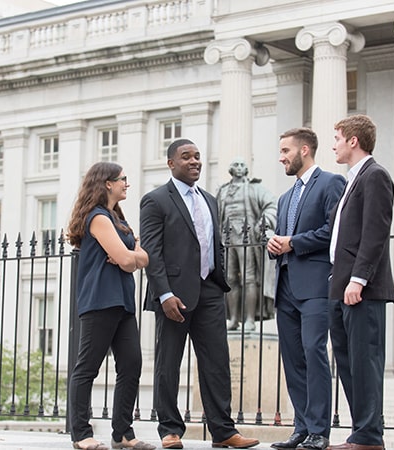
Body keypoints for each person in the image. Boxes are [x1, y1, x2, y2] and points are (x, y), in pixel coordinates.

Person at [139, 139, 260, 450]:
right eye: (186, 157)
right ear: (171, 163)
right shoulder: (155, 200)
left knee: (217, 362)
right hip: (173, 296)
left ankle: (223, 431)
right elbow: (152, 252)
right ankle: (169, 429)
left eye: (197, 157)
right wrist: (164, 294)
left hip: (209, 290)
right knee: (169, 363)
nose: (194, 162)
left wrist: (218, 279)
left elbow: (213, 243)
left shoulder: (209, 199)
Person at [267, 128, 345, 450]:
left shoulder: (330, 183)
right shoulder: (285, 197)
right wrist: (275, 245)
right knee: (293, 358)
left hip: (315, 285)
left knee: (314, 353)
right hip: (285, 287)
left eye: (286, 150)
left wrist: (292, 243)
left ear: (304, 150)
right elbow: (284, 239)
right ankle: (300, 428)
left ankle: (319, 431)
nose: (281, 157)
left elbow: (334, 231)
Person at [67, 162, 154, 450]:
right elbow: (132, 260)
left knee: (131, 364)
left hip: (123, 301)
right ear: (107, 183)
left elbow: (140, 258)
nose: (126, 183)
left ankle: (122, 435)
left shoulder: (118, 219)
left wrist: (132, 256)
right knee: (87, 368)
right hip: (101, 300)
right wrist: (132, 256)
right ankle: (81, 434)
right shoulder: (99, 218)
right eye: (123, 179)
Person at [327, 115, 394, 450]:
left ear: (354, 140)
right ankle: (363, 433)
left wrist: (358, 279)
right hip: (340, 287)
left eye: (337, 138)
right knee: (349, 362)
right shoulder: (352, 180)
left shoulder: (375, 176)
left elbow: (375, 233)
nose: (334, 145)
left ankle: (369, 436)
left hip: (361, 289)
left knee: (365, 361)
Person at [216, 157, 277, 331]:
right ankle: (233, 318)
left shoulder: (254, 188)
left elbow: (272, 205)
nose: (240, 167)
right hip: (227, 238)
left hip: (247, 238)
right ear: (230, 169)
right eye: (236, 164)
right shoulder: (223, 191)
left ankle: (249, 319)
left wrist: (263, 223)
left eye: (243, 165)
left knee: (249, 278)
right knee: (230, 279)